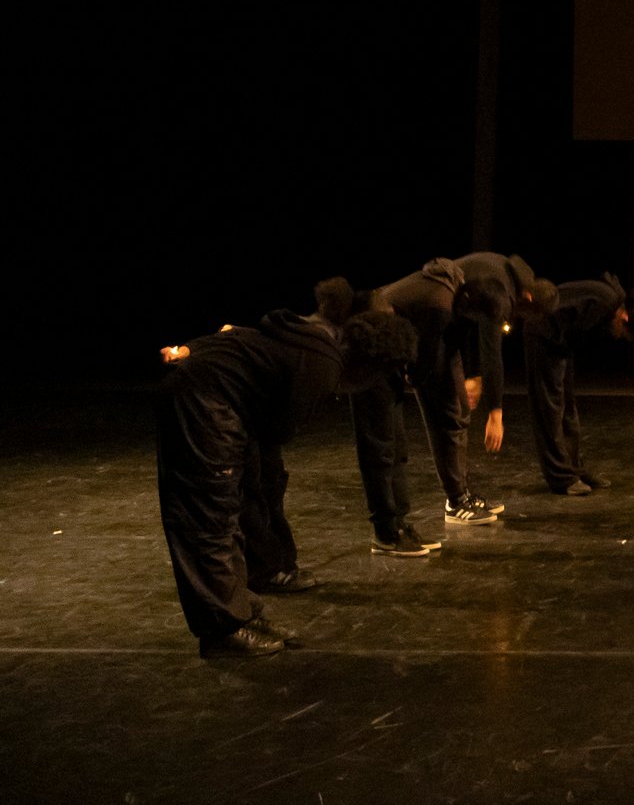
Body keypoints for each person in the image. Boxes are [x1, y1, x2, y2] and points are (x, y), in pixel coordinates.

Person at [154, 280, 416, 657]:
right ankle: (222, 630)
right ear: (372, 366)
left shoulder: (319, 340)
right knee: (210, 518)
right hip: (204, 401)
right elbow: (279, 429)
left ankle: (239, 612)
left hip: (214, 397)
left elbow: (239, 336)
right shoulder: (323, 367)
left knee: (233, 510)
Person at [426, 252, 554, 525]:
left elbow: (470, 318)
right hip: (431, 325)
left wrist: (473, 375)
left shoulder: (508, 275)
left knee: (459, 412)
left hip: (445, 327)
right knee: (451, 414)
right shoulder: (501, 291)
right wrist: (495, 413)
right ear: (529, 299)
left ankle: (460, 495)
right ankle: (455, 501)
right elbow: (491, 351)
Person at [348, 258, 464, 556]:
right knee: (380, 452)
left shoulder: (425, 295)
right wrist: (414, 374)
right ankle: (386, 533)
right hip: (371, 361)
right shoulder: (435, 300)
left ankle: (399, 524)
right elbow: (425, 358)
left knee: (397, 449)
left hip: (389, 360)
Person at [523, 272, 634, 494]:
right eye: (622, 333)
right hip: (542, 335)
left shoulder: (610, 302)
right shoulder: (605, 303)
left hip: (559, 341)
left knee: (568, 409)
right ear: (624, 318)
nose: (617, 336)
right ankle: (561, 478)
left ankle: (574, 469)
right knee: (549, 410)